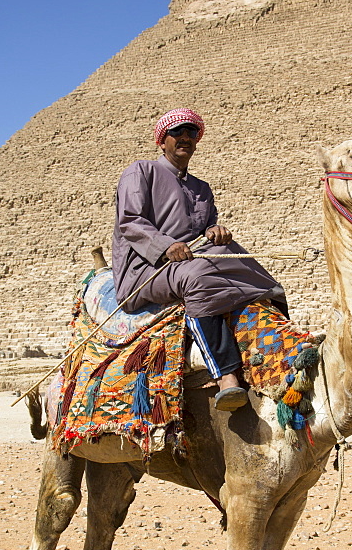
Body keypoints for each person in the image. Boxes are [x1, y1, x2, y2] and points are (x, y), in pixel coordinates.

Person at [112, 108, 287, 411]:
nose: (185, 138)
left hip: (191, 259)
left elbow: (204, 230)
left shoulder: (201, 188)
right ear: (162, 140)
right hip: (146, 270)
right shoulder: (140, 172)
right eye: (177, 132)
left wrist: (214, 230)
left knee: (258, 273)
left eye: (191, 133)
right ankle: (226, 375)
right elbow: (130, 222)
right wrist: (166, 246)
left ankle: (282, 348)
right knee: (198, 279)